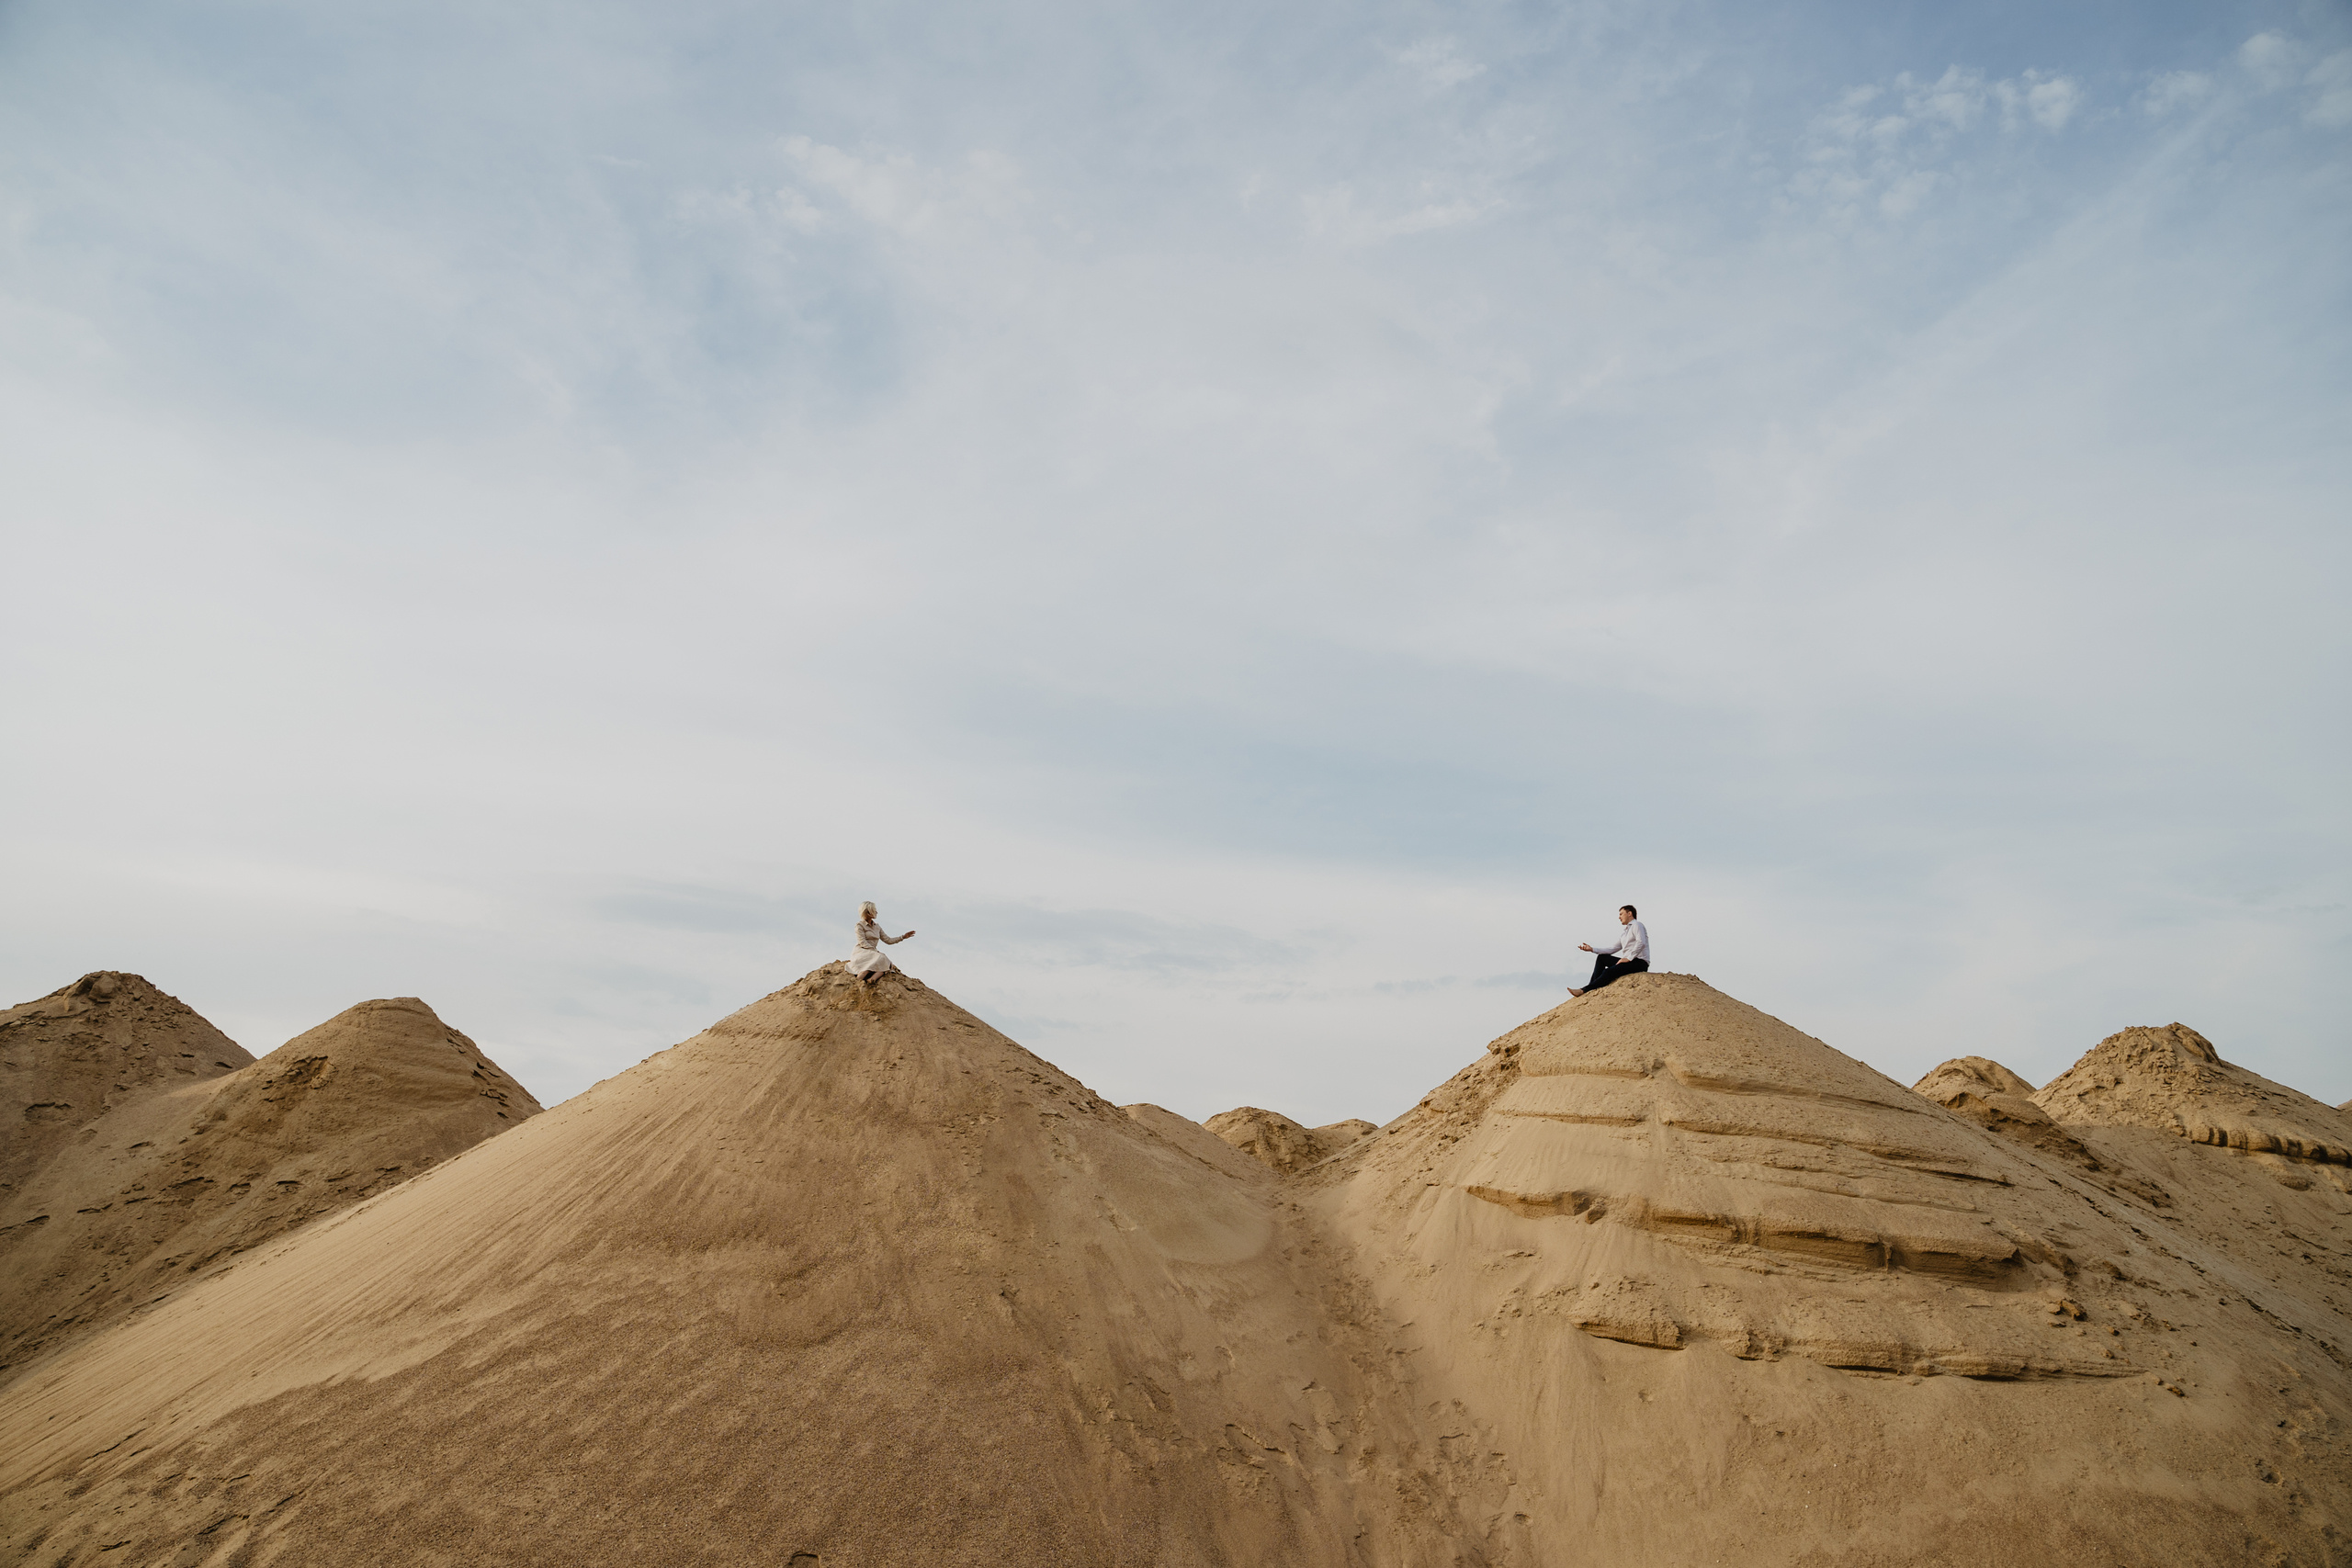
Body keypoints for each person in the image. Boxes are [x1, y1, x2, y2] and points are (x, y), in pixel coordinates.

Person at [1569, 905, 1648, 997]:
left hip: (1639, 963)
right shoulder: (1625, 933)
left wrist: (1629, 958)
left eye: (1621, 914)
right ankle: (1591, 988)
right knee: (1602, 958)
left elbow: (1641, 942)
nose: (1619, 917)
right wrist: (1592, 949)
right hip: (1628, 962)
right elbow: (1612, 949)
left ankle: (1584, 990)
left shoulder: (1637, 925)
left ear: (1629, 913)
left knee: (1608, 971)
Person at [848, 901, 916, 986]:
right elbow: (862, 942)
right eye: (874, 910)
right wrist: (874, 951)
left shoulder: (877, 927)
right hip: (862, 951)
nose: (877, 912)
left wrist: (903, 937)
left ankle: (872, 979)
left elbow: (888, 940)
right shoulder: (859, 925)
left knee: (885, 962)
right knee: (880, 959)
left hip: (872, 952)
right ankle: (856, 984)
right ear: (868, 912)